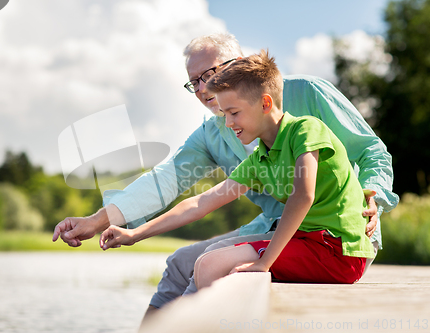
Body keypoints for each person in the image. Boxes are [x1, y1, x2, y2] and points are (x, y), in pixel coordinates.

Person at [52, 33, 398, 315]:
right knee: (178, 263)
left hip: (336, 237)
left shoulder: (305, 99)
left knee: (207, 268)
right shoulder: (215, 133)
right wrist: (104, 222)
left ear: (240, 66)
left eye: (210, 75)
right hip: (273, 230)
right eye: (194, 83)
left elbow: (370, 151)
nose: (203, 89)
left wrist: (373, 194)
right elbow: (172, 184)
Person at [100, 50, 375, 287]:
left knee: (211, 265)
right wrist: (135, 233)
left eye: (233, 112)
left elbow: (303, 196)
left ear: (265, 103)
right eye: (224, 114)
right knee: (207, 261)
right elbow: (201, 203)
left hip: (338, 251)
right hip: (306, 244)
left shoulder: (305, 129)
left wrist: (265, 262)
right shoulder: (260, 159)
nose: (228, 123)